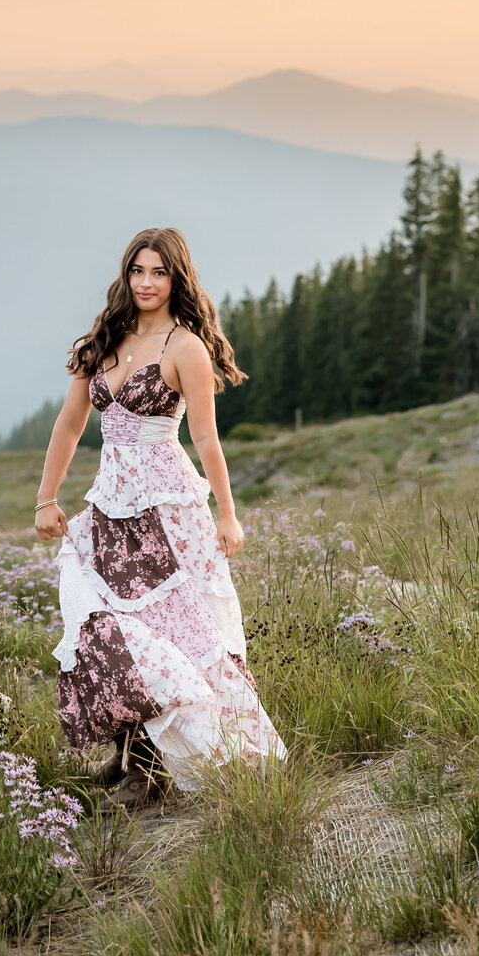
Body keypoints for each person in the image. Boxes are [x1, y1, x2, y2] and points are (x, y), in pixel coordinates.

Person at [34, 227, 285, 804]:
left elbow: (206, 439)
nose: (146, 283)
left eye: (159, 273)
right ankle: (132, 754)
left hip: (167, 514)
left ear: (177, 279)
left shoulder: (185, 348)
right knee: (104, 624)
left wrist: (227, 514)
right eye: (138, 271)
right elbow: (70, 424)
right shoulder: (103, 339)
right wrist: (47, 498)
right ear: (126, 276)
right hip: (109, 508)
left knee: (172, 634)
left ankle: (152, 767)